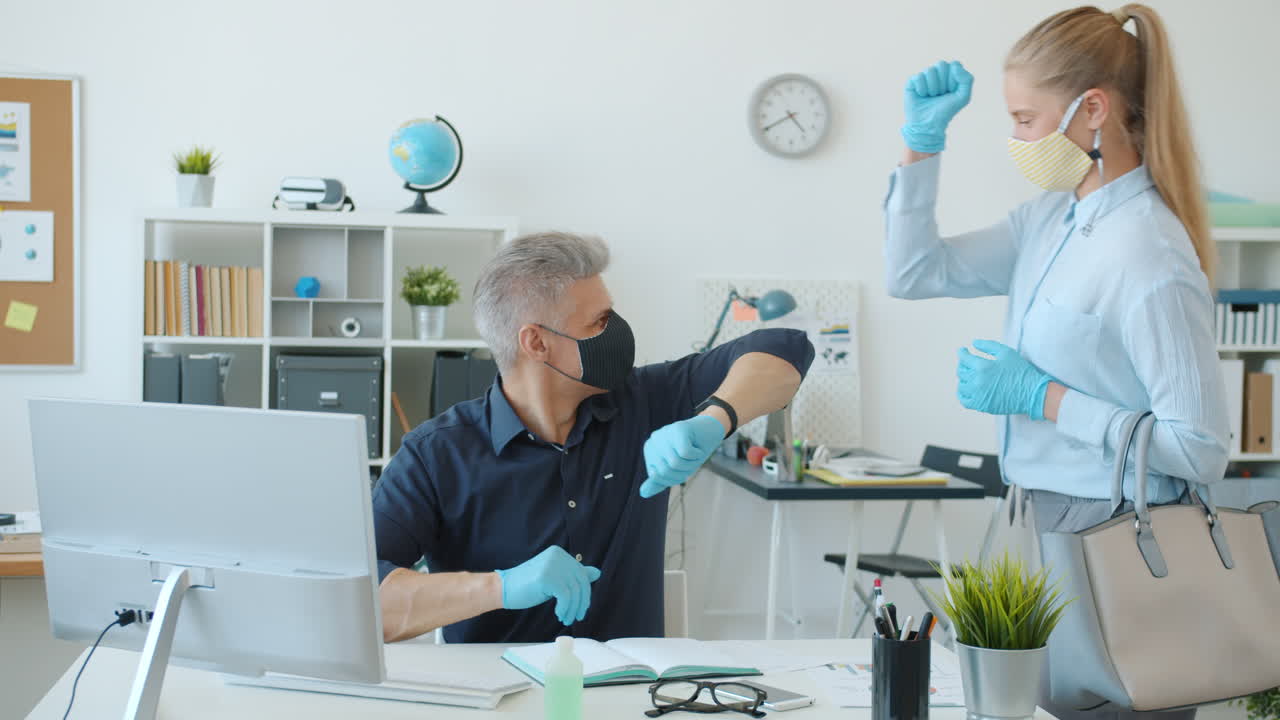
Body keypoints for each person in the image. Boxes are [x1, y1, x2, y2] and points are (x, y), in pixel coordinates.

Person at [884, 5, 1227, 720]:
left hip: (1118, 534)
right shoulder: (1051, 219)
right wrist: (921, 147)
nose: (1016, 139)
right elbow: (915, 272)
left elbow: (1200, 451)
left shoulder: (1148, 255)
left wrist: (1044, 398)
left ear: (1092, 109)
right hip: (1039, 521)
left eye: (1025, 119)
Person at [373, 231, 815, 644]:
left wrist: (716, 419)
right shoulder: (436, 455)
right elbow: (358, 598)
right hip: (499, 696)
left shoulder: (647, 400)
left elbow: (786, 350)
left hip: (633, 697)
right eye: (600, 322)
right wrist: (500, 587)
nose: (618, 332)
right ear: (537, 343)